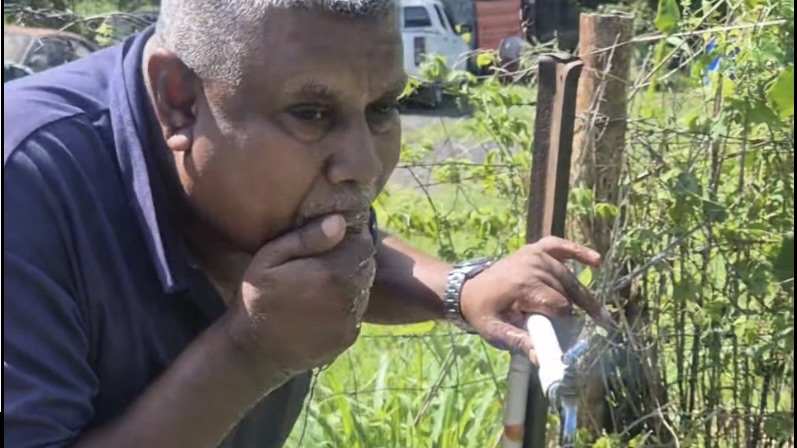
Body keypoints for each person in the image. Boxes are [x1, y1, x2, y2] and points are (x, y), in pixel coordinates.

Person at [3, 0, 612, 446]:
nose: (364, 167)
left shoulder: (266, 165)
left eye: (381, 110)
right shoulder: (24, 186)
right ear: (179, 101)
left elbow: (341, 250)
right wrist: (251, 354)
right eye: (312, 113)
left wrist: (458, 289)